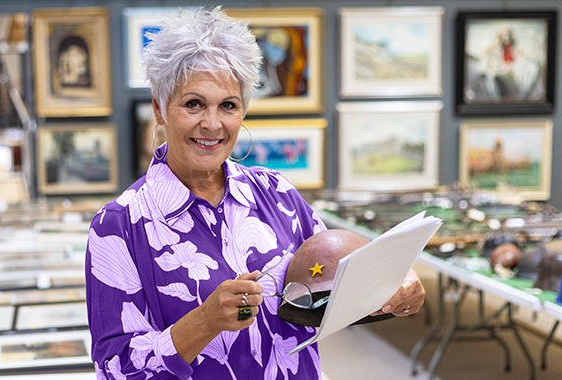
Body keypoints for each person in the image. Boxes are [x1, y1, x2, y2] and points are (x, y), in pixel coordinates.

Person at [85, 7, 425, 379]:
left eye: (228, 106)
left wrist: (394, 284)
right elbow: (115, 365)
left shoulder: (276, 193)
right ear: (160, 108)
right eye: (194, 103)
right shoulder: (119, 226)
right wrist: (203, 322)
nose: (212, 124)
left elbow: (335, 285)